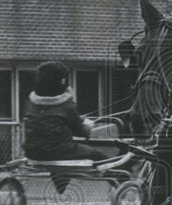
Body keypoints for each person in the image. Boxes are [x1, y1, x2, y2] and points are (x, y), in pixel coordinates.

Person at [24, 62, 111, 192]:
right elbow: (80, 132)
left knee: (59, 148)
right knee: (98, 155)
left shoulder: (31, 103)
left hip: (33, 152)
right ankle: (120, 184)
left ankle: (61, 185)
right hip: (60, 152)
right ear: (61, 82)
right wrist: (87, 125)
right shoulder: (66, 105)